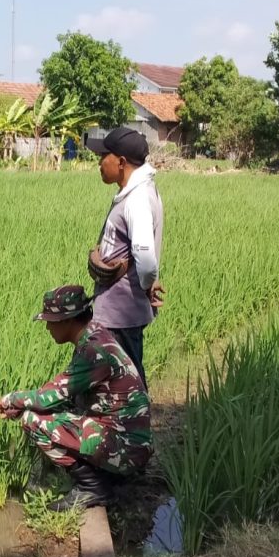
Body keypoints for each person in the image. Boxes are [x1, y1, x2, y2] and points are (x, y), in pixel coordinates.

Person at [0, 285, 152, 511]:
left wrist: (5, 401)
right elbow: (64, 398)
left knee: (32, 421)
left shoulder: (94, 351)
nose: (46, 327)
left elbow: (47, 398)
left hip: (127, 448)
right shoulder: (96, 336)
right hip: (126, 440)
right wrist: (11, 408)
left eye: (50, 321)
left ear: (68, 320)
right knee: (47, 412)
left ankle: (93, 487)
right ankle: (104, 476)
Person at [85, 128, 165, 388]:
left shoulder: (137, 199)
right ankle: (127, 426)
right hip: (119, 311)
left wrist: (147, 284)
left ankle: (135, 427)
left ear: (120, 162)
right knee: (121, 380)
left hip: (121, 312)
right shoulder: (136, 191)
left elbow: (144, 255)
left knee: (127, 383)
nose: (99, 162)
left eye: (103, 156)